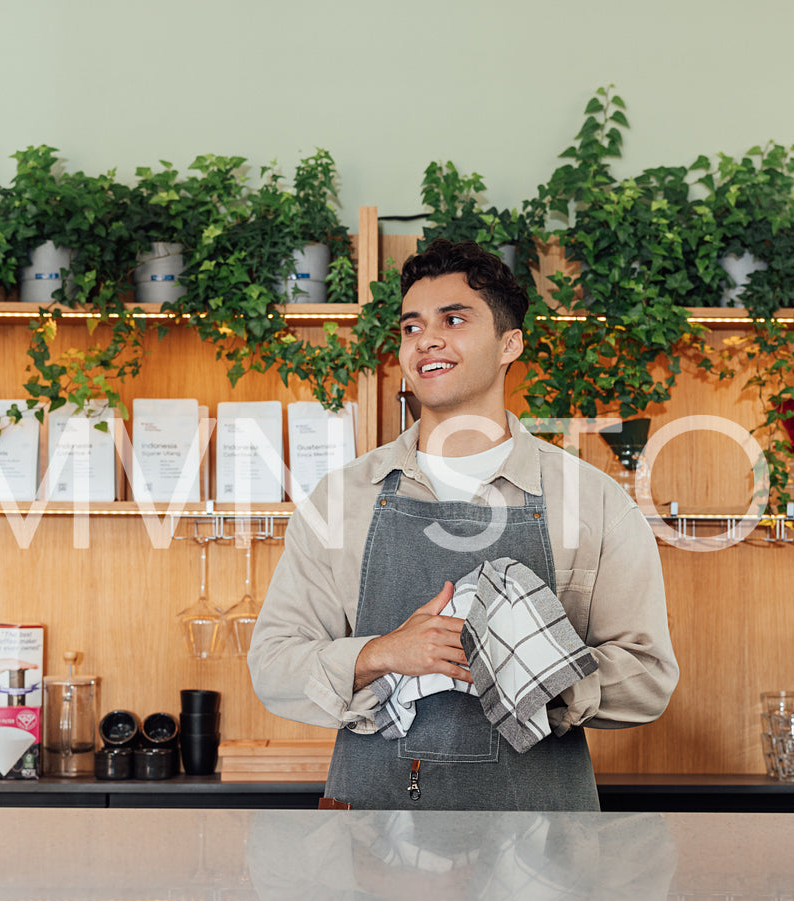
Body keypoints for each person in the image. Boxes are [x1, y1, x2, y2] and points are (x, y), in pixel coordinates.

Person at [248, 238, 677, 811]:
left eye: (454, 319)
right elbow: (273, 664)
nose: (427, 339)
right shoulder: (343, 499)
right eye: (411, 326)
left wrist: (528, 670)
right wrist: (383, 653)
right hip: (369, 850)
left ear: (510, 344)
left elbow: (649, 679)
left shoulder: (594, 502)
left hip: (544, 853)